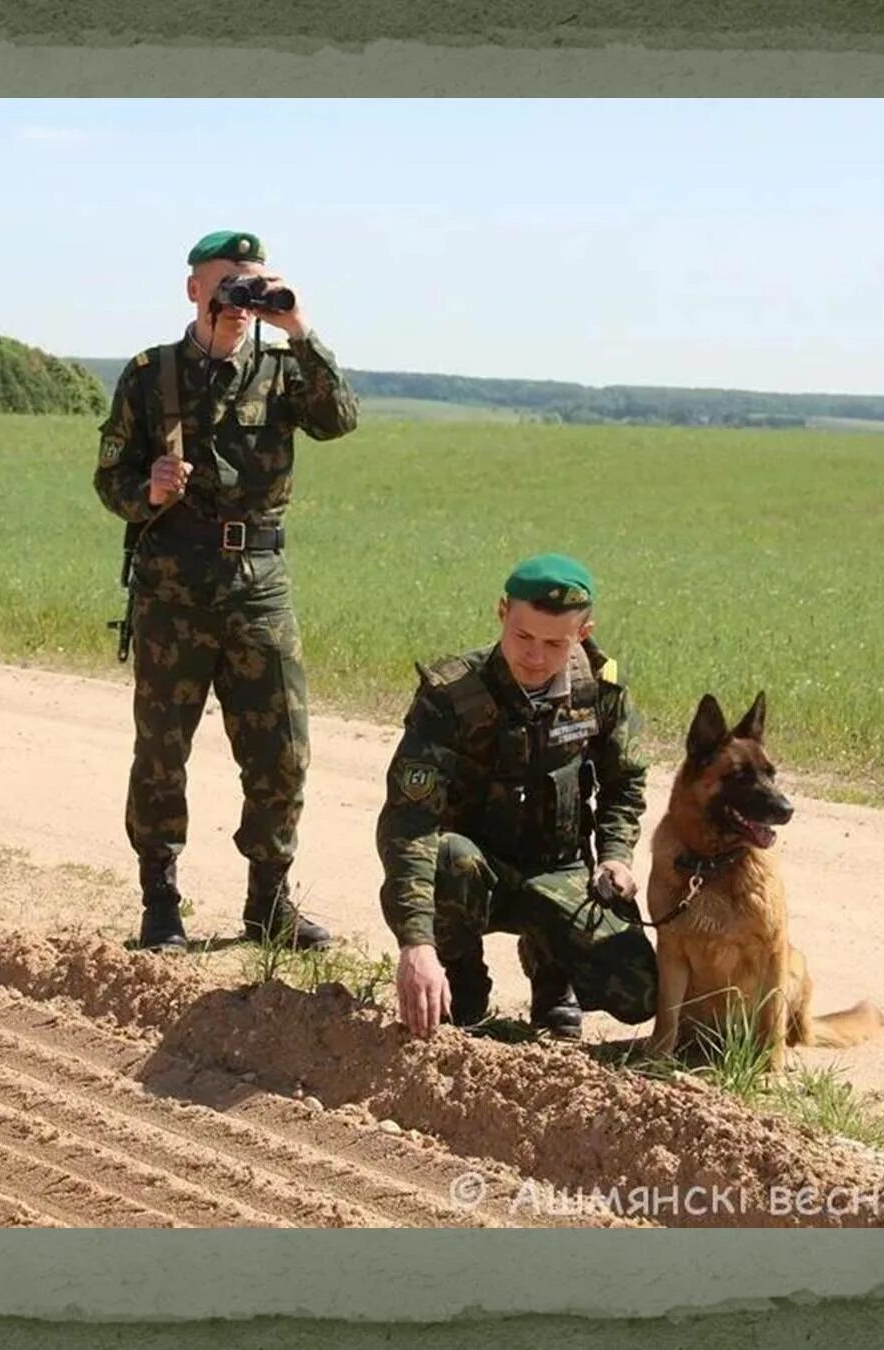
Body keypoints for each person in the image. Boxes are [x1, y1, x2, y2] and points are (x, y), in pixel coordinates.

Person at [94, 229, 360, 952]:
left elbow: (339, 420)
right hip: (173, 588)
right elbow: (108, 481)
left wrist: (298, 327)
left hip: (259, 587)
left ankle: (268, 901)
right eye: (229, 286)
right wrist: (145, 492)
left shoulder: (280, 370)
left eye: (254, 286)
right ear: (194, 290)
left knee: (281, 747)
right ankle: (160, 899)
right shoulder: (152, 376)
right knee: (162, 748)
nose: (241, 301)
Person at [375, 553, 657, 1039]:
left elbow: (624, 783)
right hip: (474, 872)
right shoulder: (452, 695)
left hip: (558, 869)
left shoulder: (602, 690)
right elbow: (409, 823)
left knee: (640, 991)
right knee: (447, 858)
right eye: (522, 636)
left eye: (554, 643)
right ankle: (462, 982)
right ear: (502, 613)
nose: (535, 656)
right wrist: (415, 944)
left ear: (582, 634)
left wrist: (615, 857)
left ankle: (552, 978)